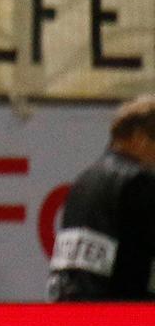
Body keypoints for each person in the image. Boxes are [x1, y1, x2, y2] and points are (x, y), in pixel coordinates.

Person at [49, 95, 155, 301]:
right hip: (116, 311)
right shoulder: (138, 181)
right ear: (139, 138)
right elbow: (140, 264)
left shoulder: (82, 182)